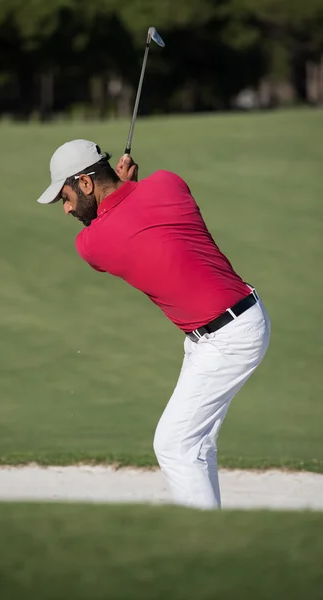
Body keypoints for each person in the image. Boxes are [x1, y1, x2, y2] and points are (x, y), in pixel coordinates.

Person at [36, 139, 271, 509]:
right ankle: (212, 530)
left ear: (84, 183)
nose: (65, 209)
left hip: (228, 338)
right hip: (228, 326)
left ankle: (205, 548)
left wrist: (125, 191)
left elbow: (113, 223)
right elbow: (139, 208)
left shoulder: (91, 244)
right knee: (196, 443)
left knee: (174, 444)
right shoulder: (168, 182)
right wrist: (128, 187)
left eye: (65, 196)